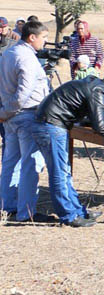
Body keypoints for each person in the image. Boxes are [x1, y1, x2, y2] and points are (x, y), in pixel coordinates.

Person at [29, 68, 104, 226]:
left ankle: (78, 211)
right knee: (59, 173)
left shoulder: (95, 85)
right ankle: (69, 216)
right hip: (51, 125)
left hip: (52, 123)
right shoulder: (99, 91)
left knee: (65, 172)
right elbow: (100, 126)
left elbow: (90, 114)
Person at [0, 20, 50, 221]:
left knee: (11, 162)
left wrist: (5, 111)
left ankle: (7, 205)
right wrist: (9, 110)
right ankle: (26, 212)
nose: (45, 42)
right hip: (26, 114)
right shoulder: (26, 57)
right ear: (32, 37)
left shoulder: (9, 53)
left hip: (11, 116)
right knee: (30, 164)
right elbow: (23, 93)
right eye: (44, 38)